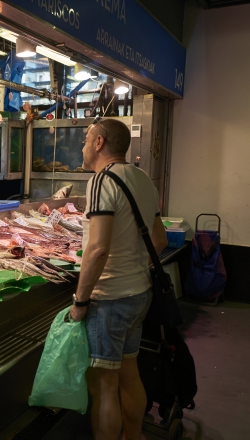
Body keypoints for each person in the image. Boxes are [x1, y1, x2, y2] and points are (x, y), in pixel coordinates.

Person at [70, 118, 168, 440]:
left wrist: (81, 301)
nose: (83, 146)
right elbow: (159, 240)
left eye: (86, 139)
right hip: (139, 293)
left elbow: (97, 249)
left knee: (103, 388)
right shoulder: (143, 179)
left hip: (109, 299)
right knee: (129, 376)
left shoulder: (101, 180)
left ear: (99, 142)